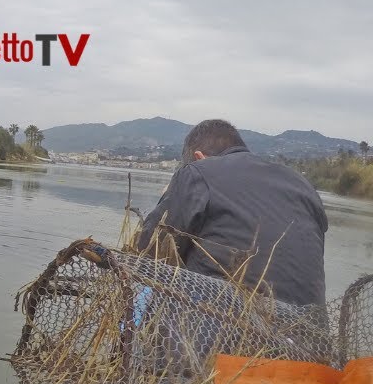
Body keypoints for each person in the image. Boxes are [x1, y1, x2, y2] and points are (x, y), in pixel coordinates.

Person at [135, 119, 328, 307]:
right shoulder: (305, 188)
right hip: (309, 333)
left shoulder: (198, 173)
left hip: (223, 330)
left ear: (199, 158)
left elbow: (148, 253)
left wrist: (170, 195)